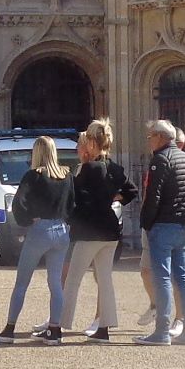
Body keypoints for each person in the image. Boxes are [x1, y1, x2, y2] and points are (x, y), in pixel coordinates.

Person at [135, 117, 185, 347]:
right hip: (184, 225)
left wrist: (146, 223)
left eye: (150, 137)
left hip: (164, 225)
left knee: (163, 278)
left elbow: (152, 197)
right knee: (182, 277)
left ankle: (162, 331)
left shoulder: (160, 160)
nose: (149, 142)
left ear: (159, 137)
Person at [62, 121, 132, 342]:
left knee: (73, 280)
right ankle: (104, 328)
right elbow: (131, 191)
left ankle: (59, 324)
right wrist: (113, 197)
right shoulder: (114, 168)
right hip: (110, 230)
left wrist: (71, 218)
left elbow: (73, 198)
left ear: (91, 143)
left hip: (89, 230)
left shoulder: (87, 168)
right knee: (105, 280)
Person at [0, 135, 71, 342]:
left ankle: (10, 328)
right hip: (61, 229)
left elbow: (18, 203)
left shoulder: (33, 176)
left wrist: (27, 219)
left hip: (40, 229)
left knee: (22, 282)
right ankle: (54, 329)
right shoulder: (66, 175)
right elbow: (72, 204)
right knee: (55, 283)